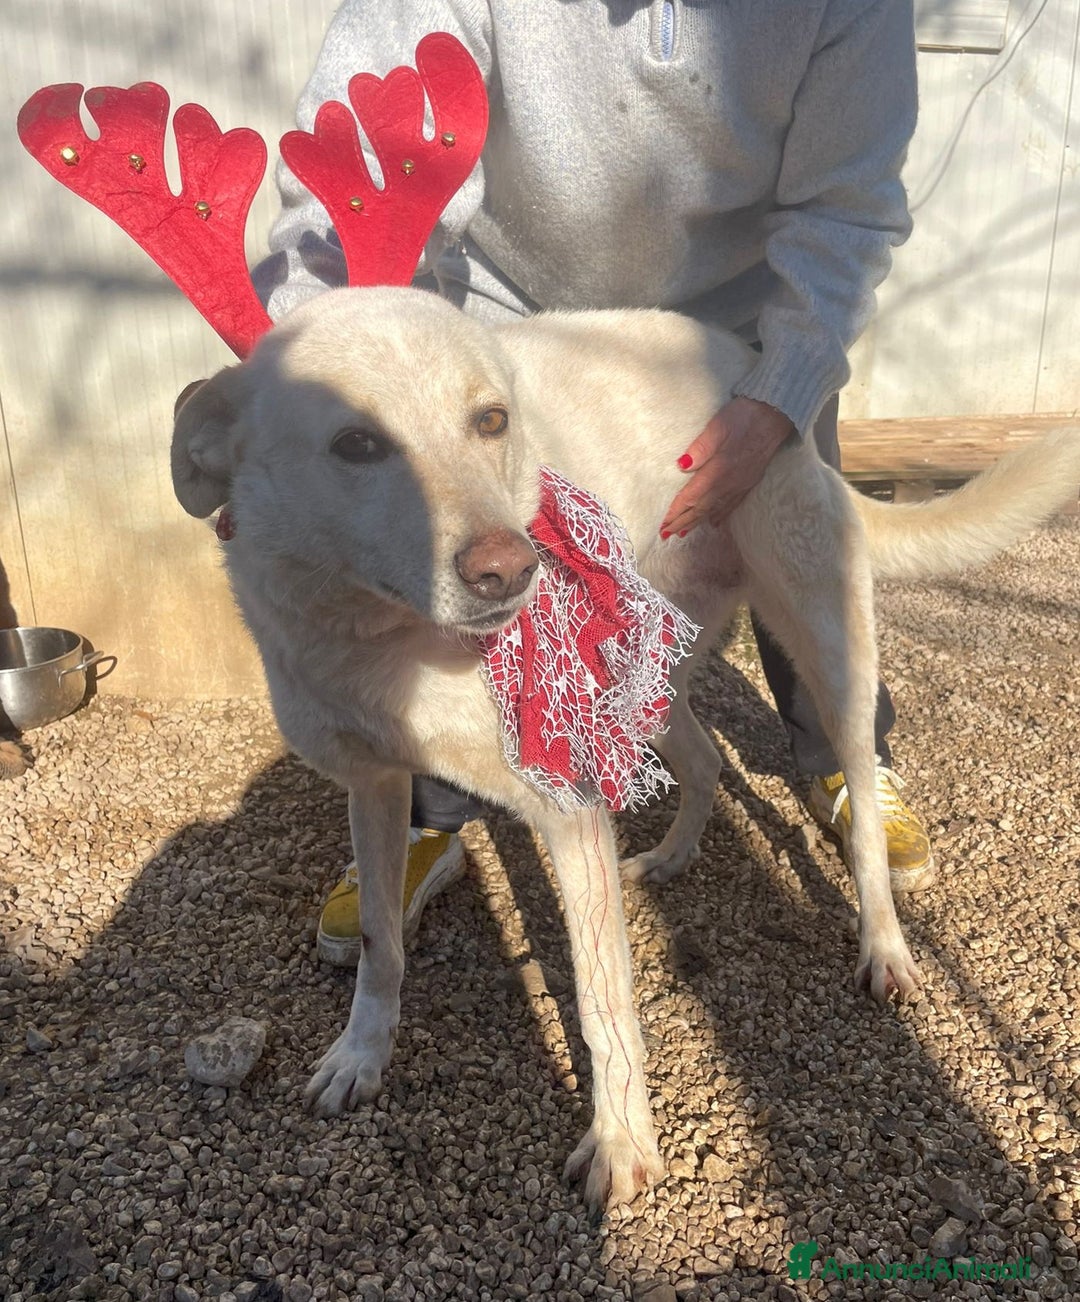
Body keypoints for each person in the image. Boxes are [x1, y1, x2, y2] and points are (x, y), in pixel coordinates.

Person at [254, 0, 934, 967]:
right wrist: (296, 388)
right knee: (466, 599)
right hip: (515, 346)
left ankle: (841, 765)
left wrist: (780, 391)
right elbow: (356, 175)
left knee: (816, 624)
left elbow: (847, 205)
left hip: (738, 348)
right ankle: (430, 816)